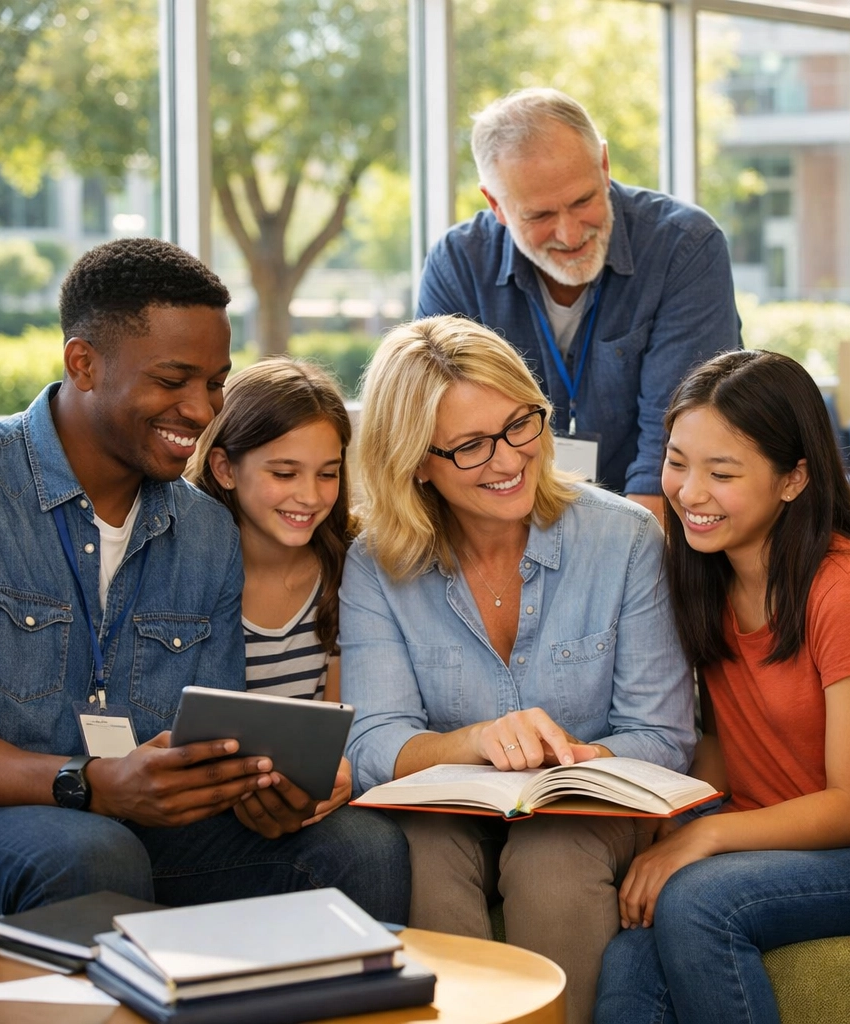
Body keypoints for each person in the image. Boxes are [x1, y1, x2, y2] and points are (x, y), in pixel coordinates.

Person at [0, 238, 409, 920]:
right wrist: (93, 783)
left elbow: (211, 736)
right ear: (83, 364)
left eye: (214, 382)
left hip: (146, 825)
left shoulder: (207, 530)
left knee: (363, 846)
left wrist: (262, 792)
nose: (203, 411)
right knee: (89, 852)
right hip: (9, 819)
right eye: (173, 381)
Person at [340, 315, 696, 1024]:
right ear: (416, 461)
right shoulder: (376, 564)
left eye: (520, 425)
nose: (508, 460)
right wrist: (474, 741)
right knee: (422, 849)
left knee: (551, 858)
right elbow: (374, 741)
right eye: (470, 445)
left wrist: (571, 762)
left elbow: (662, 736)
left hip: (586, 811)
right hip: (450, 810)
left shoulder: (624, 538)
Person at [594, 350, 850, 1024]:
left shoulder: (848, 591)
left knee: (697, 900)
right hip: (772, 831)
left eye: (721, 473)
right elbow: (730, 746)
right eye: (677, 461)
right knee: (627, 955)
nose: (690, 492)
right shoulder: (704, 573)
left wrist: (704, 839)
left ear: (793, 479)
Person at [416, 87, 741, 513]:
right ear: (496, 204)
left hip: (655, 522)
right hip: (504, 522)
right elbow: (443, 444)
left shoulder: (685, 248)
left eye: (583, 200)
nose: (570, 235)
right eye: (540, 216)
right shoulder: (458, 265)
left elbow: (676, 452)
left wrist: (607, 569)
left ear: (603, 165)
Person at [187, 358, 353, 701]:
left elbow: (337, 731)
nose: (309, 497)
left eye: (327, 474)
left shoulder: (351, 570)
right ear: (224, 468)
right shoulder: (183, 573)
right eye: (283, 474)